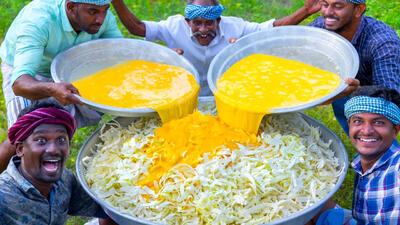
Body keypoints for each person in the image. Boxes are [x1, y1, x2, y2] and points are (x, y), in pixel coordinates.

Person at [0, 0, 123, 172]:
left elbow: (122, 54)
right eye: (93, 12)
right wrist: (51, 88)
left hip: (72, 66)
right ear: (71, 7)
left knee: (57, 134)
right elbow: (20, 84)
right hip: (31, 71)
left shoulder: (102, 17)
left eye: (105, 10)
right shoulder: (39, 20)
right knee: (24, 133)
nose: (101, 19)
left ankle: (52, 181)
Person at [112, 0, 322, 96]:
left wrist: (305, 11)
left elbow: (271, 29)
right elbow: (137, 28)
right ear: (187, 21)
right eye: (197, 23)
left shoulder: (235, 27)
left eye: (209, 23)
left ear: (219, 21)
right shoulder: (173, 27)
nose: (203, 30)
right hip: (183, 95)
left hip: (224, 96)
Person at [0, 102, 117, 225]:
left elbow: (107, 209)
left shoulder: (65, 179)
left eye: (61, 139)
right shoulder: (3, 199)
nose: (53, 149)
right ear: (20, 149)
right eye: (41, 140)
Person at [309, 0, 400, 134]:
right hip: (344, 86)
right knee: (351, 123)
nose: (328, 12)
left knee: (376, 130)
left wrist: (355, 91)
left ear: (359, 9)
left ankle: (386, 152)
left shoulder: (382, 42)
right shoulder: (320, 29)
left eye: (338, 6)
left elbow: (390, 100)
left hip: (376, 93)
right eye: (324, 4)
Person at [314, 86, 400, 224]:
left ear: (395, 130)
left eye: (378, 122)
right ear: (349, 125)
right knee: (314, 206)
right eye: (358, 121)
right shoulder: (360, 162)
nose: (366, 131)